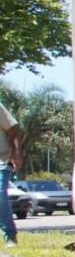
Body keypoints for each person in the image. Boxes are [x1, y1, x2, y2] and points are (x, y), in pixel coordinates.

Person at [0, 101, 20, 247]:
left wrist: (16, 153)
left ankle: (10, 235)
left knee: (0, 194)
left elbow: (12, 128)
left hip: (2, 158)